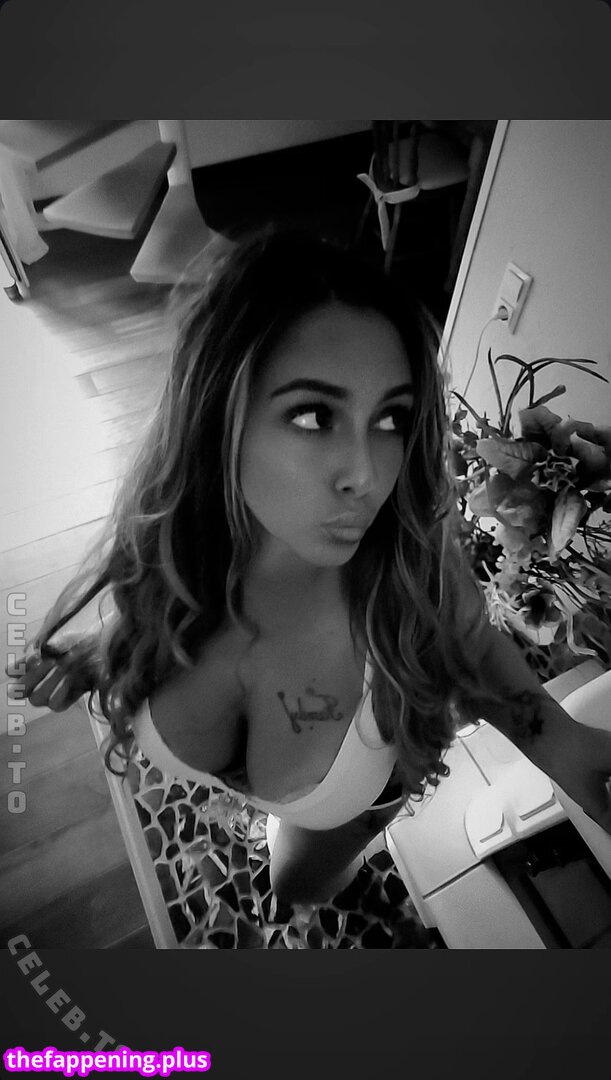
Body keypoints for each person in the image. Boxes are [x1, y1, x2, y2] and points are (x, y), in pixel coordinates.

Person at [11, 228, 611, 909]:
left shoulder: (410, 569)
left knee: (296, 886)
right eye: (313, 414)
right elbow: (162, 601)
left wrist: (558, 739)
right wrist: (107, 649)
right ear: (218, 414)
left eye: (390, 419)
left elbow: (469, 643)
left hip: (352, 803)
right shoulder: (168, 541)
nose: (366, 475)